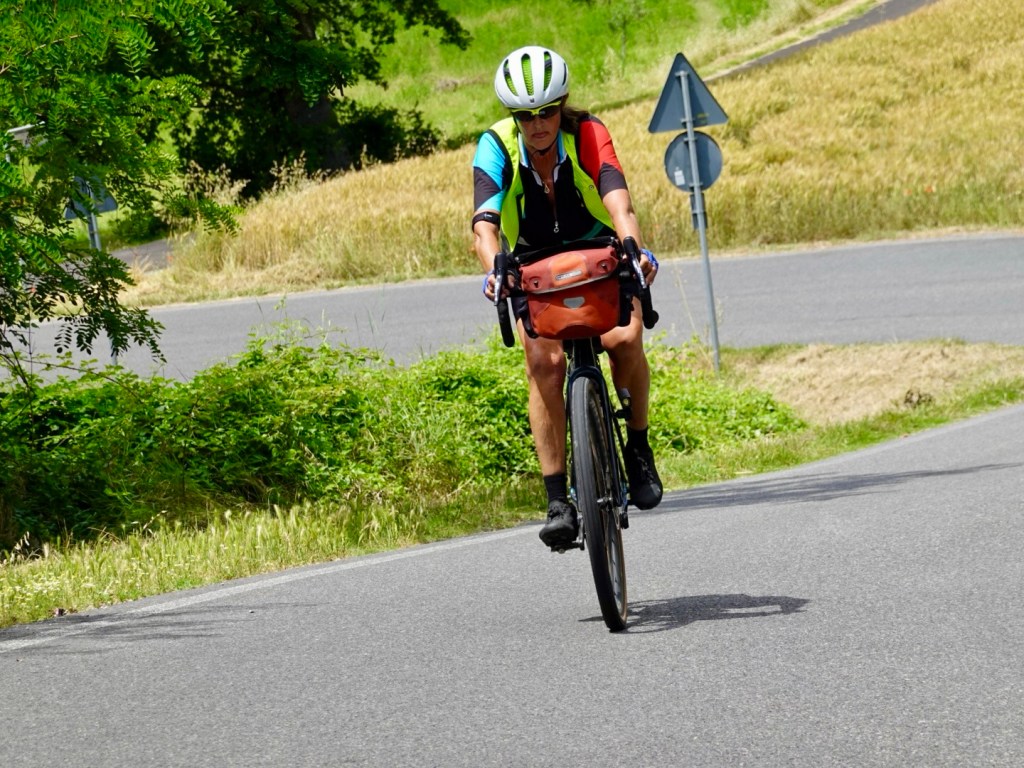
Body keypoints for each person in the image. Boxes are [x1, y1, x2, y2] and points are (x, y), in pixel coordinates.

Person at [472, 45, 662, 548]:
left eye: (547, 112)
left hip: (597, 248)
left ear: (562, 105)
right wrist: (494, 269)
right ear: (513, 116)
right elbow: (484, 226)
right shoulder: (495, 146)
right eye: (526, 116)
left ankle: (638, 448)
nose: (538, 125)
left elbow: (620, 205)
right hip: (534, 262)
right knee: (544, 362)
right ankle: (558, 499)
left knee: (625, 339)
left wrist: (634, 249)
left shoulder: (588, 133)